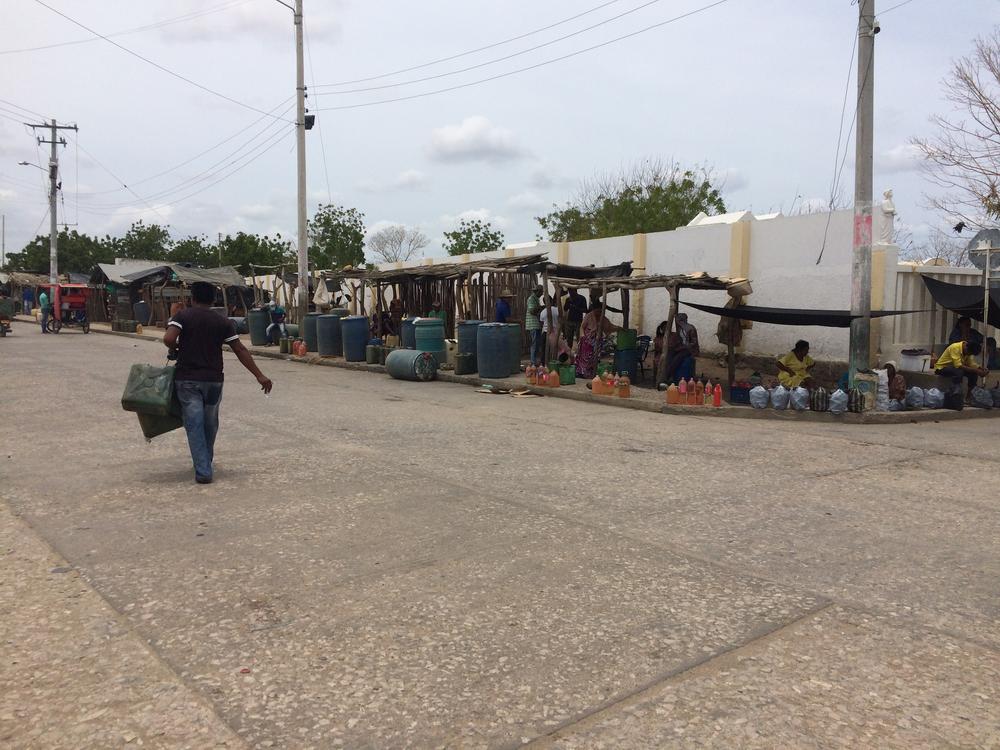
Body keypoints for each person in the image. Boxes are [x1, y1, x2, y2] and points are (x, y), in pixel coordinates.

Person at [163, 282, 273, 484]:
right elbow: (240, 349)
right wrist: (260, 375)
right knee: (209, 423)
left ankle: (203, 469)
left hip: (187, 379)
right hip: (213, 381)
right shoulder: (222, 321)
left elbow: (169, 338)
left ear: (192, 298)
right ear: (213, 300)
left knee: (194, 424)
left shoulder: (183, 316)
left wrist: (179, 347)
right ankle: (205, 461)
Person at [576, 302, 618, 379]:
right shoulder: (589, 316)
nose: (598, 312)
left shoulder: (602, 318)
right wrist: (583, 337)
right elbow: (582, 327)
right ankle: (582, 373)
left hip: (597, 341)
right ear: (594, 310)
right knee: (586, 358)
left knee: (595, 358)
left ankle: (592, 373)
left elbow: (609, 326)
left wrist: (619, 328)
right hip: (587, 340)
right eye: (597, 311)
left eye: (600, 311)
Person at [539, 296, 561, 363]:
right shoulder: (557, 310)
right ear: (551, 301)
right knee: (555, 349)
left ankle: (543, 364)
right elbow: (561, 319)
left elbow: (541, 323)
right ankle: (554, 363)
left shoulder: (542, 312)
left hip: (545, 332)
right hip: (555, 333)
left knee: (544, 350)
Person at [525, 285, 543, 366]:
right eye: (541, 292)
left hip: (536, 324)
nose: (542, 293)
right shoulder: (531, 299)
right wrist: (540, 308)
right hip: (533, 324)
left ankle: (534, 361)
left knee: (537, 343)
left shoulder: (536, 299)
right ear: (538, 291)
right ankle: (533, 362)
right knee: (534, 344)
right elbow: (532, 311)